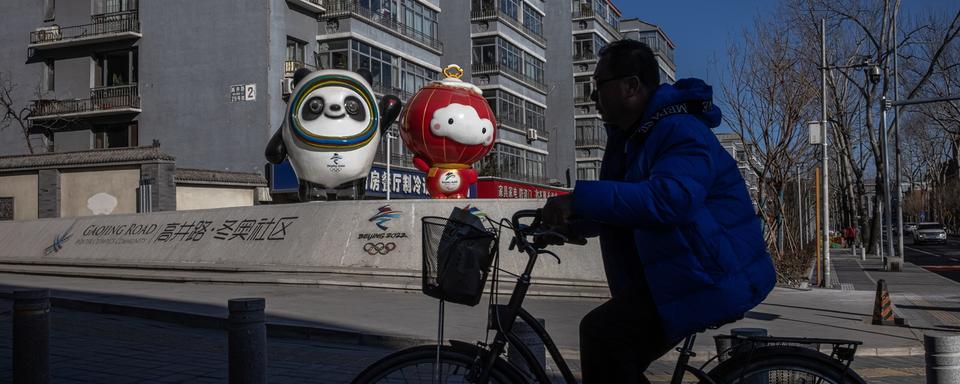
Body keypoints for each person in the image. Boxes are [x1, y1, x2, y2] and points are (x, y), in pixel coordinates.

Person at [542, 40, 775, 383]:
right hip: (684, 271)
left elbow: (670, 199)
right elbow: (630, 208)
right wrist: (573, 223)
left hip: (711, 274)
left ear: (632, 85)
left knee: (602, 336)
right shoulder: (638, 137)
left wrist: (579, 200)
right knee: (610, 348)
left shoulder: (678, 129)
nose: (594, 97)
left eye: (599, 86)